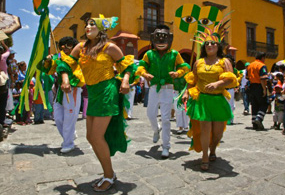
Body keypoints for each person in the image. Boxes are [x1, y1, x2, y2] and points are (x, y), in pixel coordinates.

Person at [61, 14, 135, 192]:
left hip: (107, 92)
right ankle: (108, 172)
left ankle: (109, 175)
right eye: (86, 25)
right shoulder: (81, 47)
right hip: (92, 93)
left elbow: (128, 66)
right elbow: (66, 65)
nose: (87, 27)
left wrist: (125, 80)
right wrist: (65, 79)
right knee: (90, 137)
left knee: (96, 136)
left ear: (101, 29)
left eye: (92, 25)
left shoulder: (110, 47)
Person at [181, 20, 237, 171]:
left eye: (213, 43)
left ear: (218, 46)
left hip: (218, 100)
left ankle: (213, 149)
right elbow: (192, 80)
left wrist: (218, 84)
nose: (210, 46)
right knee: (205, 129)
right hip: (202, 100)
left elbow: (231, 80)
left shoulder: (224, 61)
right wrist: (186, 92)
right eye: (207, 44)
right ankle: (205, 156)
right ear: (203, 47)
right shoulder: (198, 62)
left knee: (218, 132)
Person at [136, 24, 190, 158]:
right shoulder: (149, 54)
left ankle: (166, 146)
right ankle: (156, 129)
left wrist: (177, 73)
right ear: (153, 39)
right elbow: (141, 67)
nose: (161, 42)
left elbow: (184, 67)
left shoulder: (174, 54)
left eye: (164, 39)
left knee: (166, 118)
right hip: (154, 88)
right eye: (158, 39)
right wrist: (145, 74)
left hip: (167, 88)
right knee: (150, 114)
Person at [38, 36, 84, 153]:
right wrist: (48, 60)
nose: (64, 47)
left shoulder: (79, 57)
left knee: (69, 118)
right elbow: (48, 68)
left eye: (68, 44)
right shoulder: (59, 56)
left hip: (72, 89)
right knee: (58, 118)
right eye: (62, 45)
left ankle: (68, 143)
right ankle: (70, 135)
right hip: (59, 91)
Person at [246, 52, 268, 130]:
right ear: (262, 57)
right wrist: (264, 89)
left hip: (252, 86)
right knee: (264, 103)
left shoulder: (250, 66)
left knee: (254, 105)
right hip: (259, 86)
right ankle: (258, 119)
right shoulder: (262, 65)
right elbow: (262, 78)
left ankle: (254, 123)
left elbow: (247, 77)